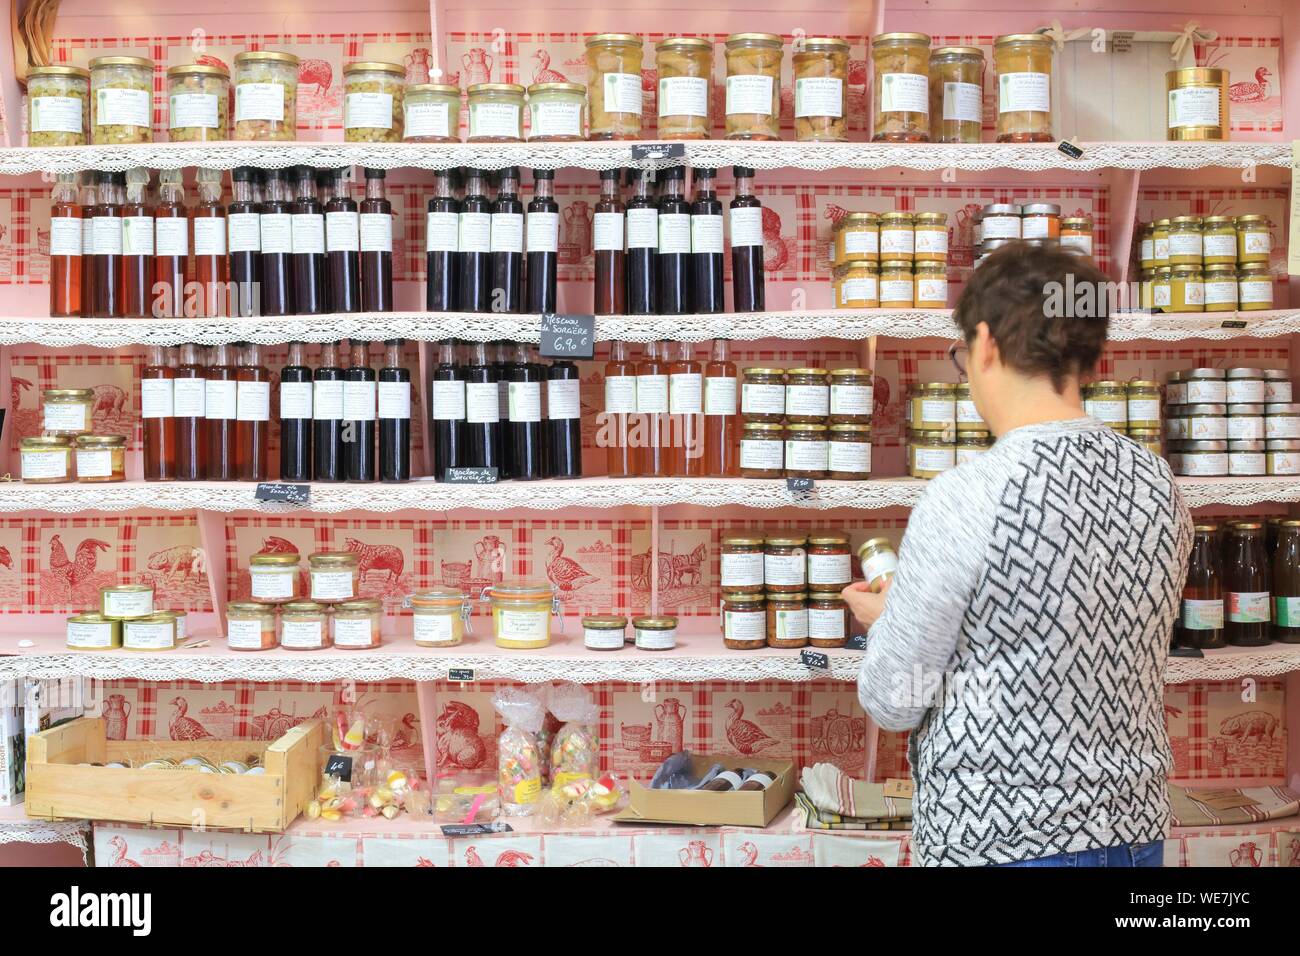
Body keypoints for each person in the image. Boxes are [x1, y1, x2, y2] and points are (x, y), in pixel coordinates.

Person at [844, 242, 1191, 867]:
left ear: (984, 343)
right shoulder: (1158, 484)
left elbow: (895, 700)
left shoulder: (965, 497)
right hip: (1133, 831)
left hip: (1003, 838)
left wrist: (888, 623)